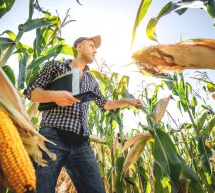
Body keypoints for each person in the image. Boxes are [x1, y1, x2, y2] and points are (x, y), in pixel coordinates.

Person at [24, 35, 142, 193]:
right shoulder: (56, 66)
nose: (95, 50)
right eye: (92, 46)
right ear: (79, 47)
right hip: (52, 136)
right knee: (41, 189)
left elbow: (104, 104)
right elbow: (32, 92)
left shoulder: (92, 80)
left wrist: (128, 101)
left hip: (81, 143)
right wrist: (54, 96)